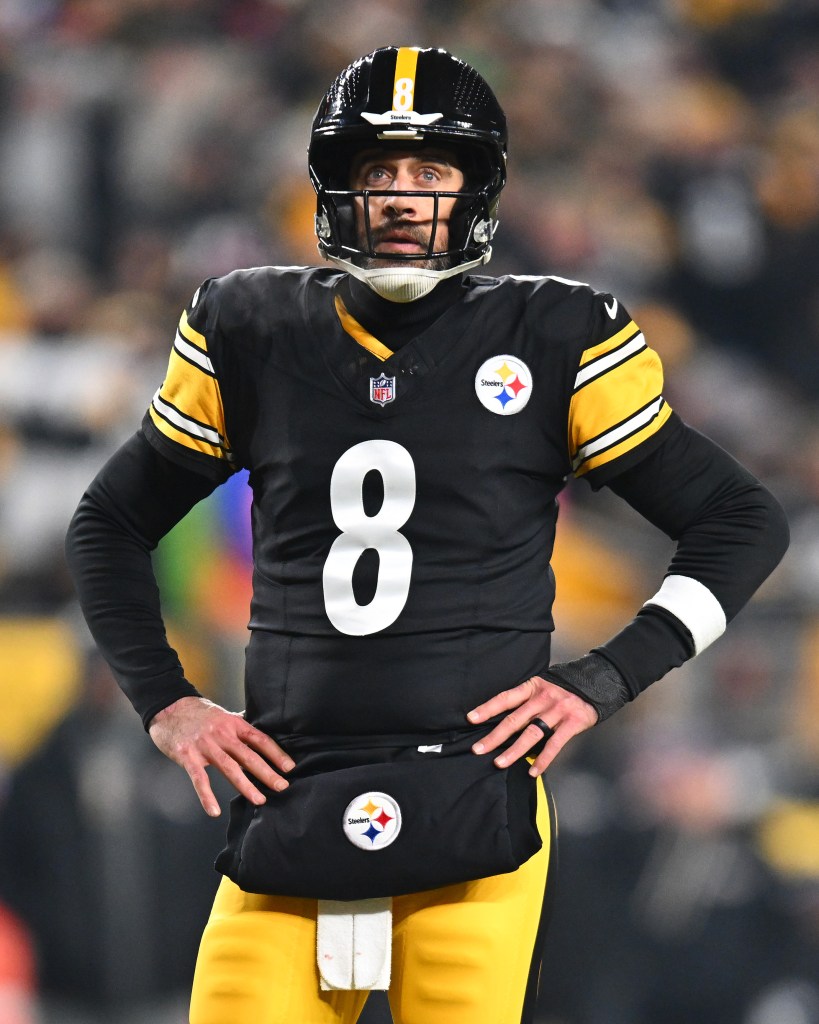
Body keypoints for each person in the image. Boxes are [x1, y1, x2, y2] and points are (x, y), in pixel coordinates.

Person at [65, 46, 789, 1024]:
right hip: (292, 796)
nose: (402, 197)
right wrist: (167, 701)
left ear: (475, 189)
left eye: (429, 172)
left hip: (472, 804)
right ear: (336, 189)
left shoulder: (555, 333)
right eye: (378, 173)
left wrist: (606, 676)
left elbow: (741, 519)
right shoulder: (250, 324)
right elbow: (110, 518)